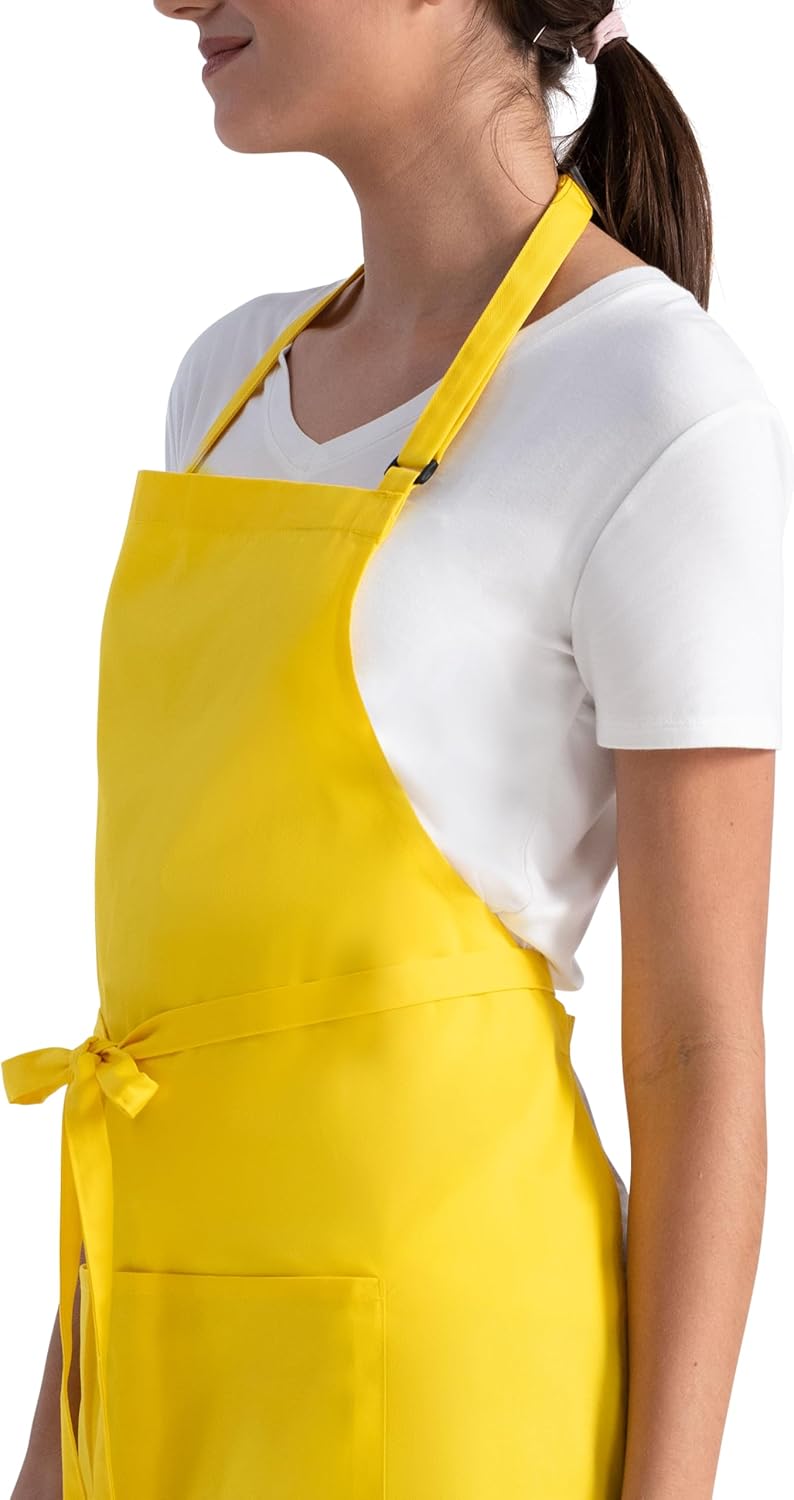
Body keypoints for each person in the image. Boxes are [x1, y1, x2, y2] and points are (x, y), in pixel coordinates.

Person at [6, 3, 790, 1498]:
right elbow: (166, 1026)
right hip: (164, 1362)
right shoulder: (227, 382)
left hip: (451, 1387)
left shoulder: (654, 401)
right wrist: (56, 1445)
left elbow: (698, 1051)